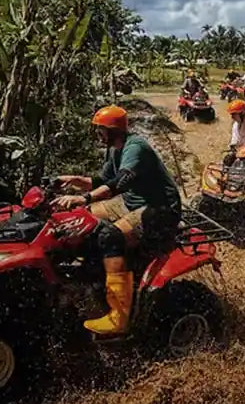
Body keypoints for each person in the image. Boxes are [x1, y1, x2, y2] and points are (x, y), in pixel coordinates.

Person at [54, 105, 182, 336]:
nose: (98, 135)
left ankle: (119, 316)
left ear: (113, 130)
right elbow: (102, 180)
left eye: (101, 130)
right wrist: (73, 180)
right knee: (81, 219)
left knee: (109, 236)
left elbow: (119, 182)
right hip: (131, 202)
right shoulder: (114, 148)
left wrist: (83, 197)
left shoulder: (135, 147)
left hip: (158, 209)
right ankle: (90, 274)